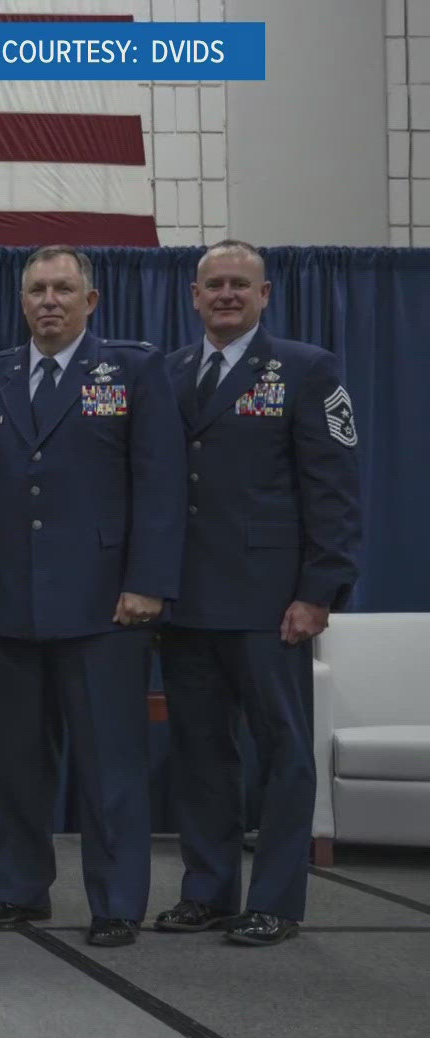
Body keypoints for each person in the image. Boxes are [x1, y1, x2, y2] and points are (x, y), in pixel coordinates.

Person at [0, 245, 186, 949]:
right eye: (36, 290)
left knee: (109, 761)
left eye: (62, 288)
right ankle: (20, 888)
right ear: (20, 302)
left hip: (106, 604)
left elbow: (161, 484)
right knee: (18, 760)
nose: (48, 300)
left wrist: (148, 583)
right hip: (12, 599)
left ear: (92, 300)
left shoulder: (134, 370)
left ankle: (116, 901)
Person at [155, 240, 361, 947]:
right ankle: (208, 890)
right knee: (200, 752)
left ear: (266, 294)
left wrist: (319, 590)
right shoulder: (172, 372)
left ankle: (275, 898)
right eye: (214, 284)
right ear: (194, 294)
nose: (227, 295)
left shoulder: (308, 369)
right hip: (184, 602)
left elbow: (333, 491)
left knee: (282, 751)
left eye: (240, 284)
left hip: (272, 603)